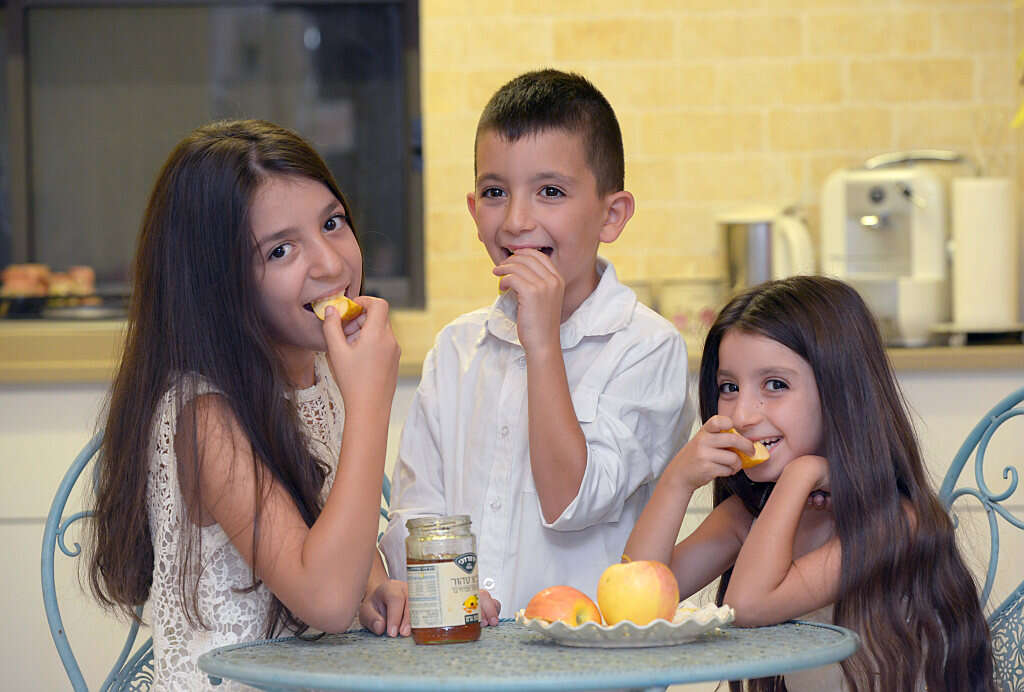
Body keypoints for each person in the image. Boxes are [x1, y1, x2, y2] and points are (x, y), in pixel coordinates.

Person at [87, 119, 406, 690]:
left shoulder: (319, 377)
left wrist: (376, 587)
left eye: (332, 223)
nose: (331, 264)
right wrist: (370, 406)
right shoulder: (204, 418)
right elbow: (326, 601)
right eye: (281, 250)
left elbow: (339, 553)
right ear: (218, 283)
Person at [374, 69, 695, 621]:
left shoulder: (648, 348)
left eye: (550, 192)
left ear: (611, 215)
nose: (517, 221)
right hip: (463, 653)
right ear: (474, 211)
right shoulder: (455, 350)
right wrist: (451, 592)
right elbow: (413, 516)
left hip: (590, 661)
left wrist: (542, 342)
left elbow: (572, 501)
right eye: (495, 193)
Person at [625, 275, 994, 692]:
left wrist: (801, 474)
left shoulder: (894, 523)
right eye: (729, 387)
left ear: (841, 392)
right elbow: (636, 603)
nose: (742, 414)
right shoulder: (746, 516)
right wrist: (677, 480)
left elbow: (748, 605)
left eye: (775, 385)